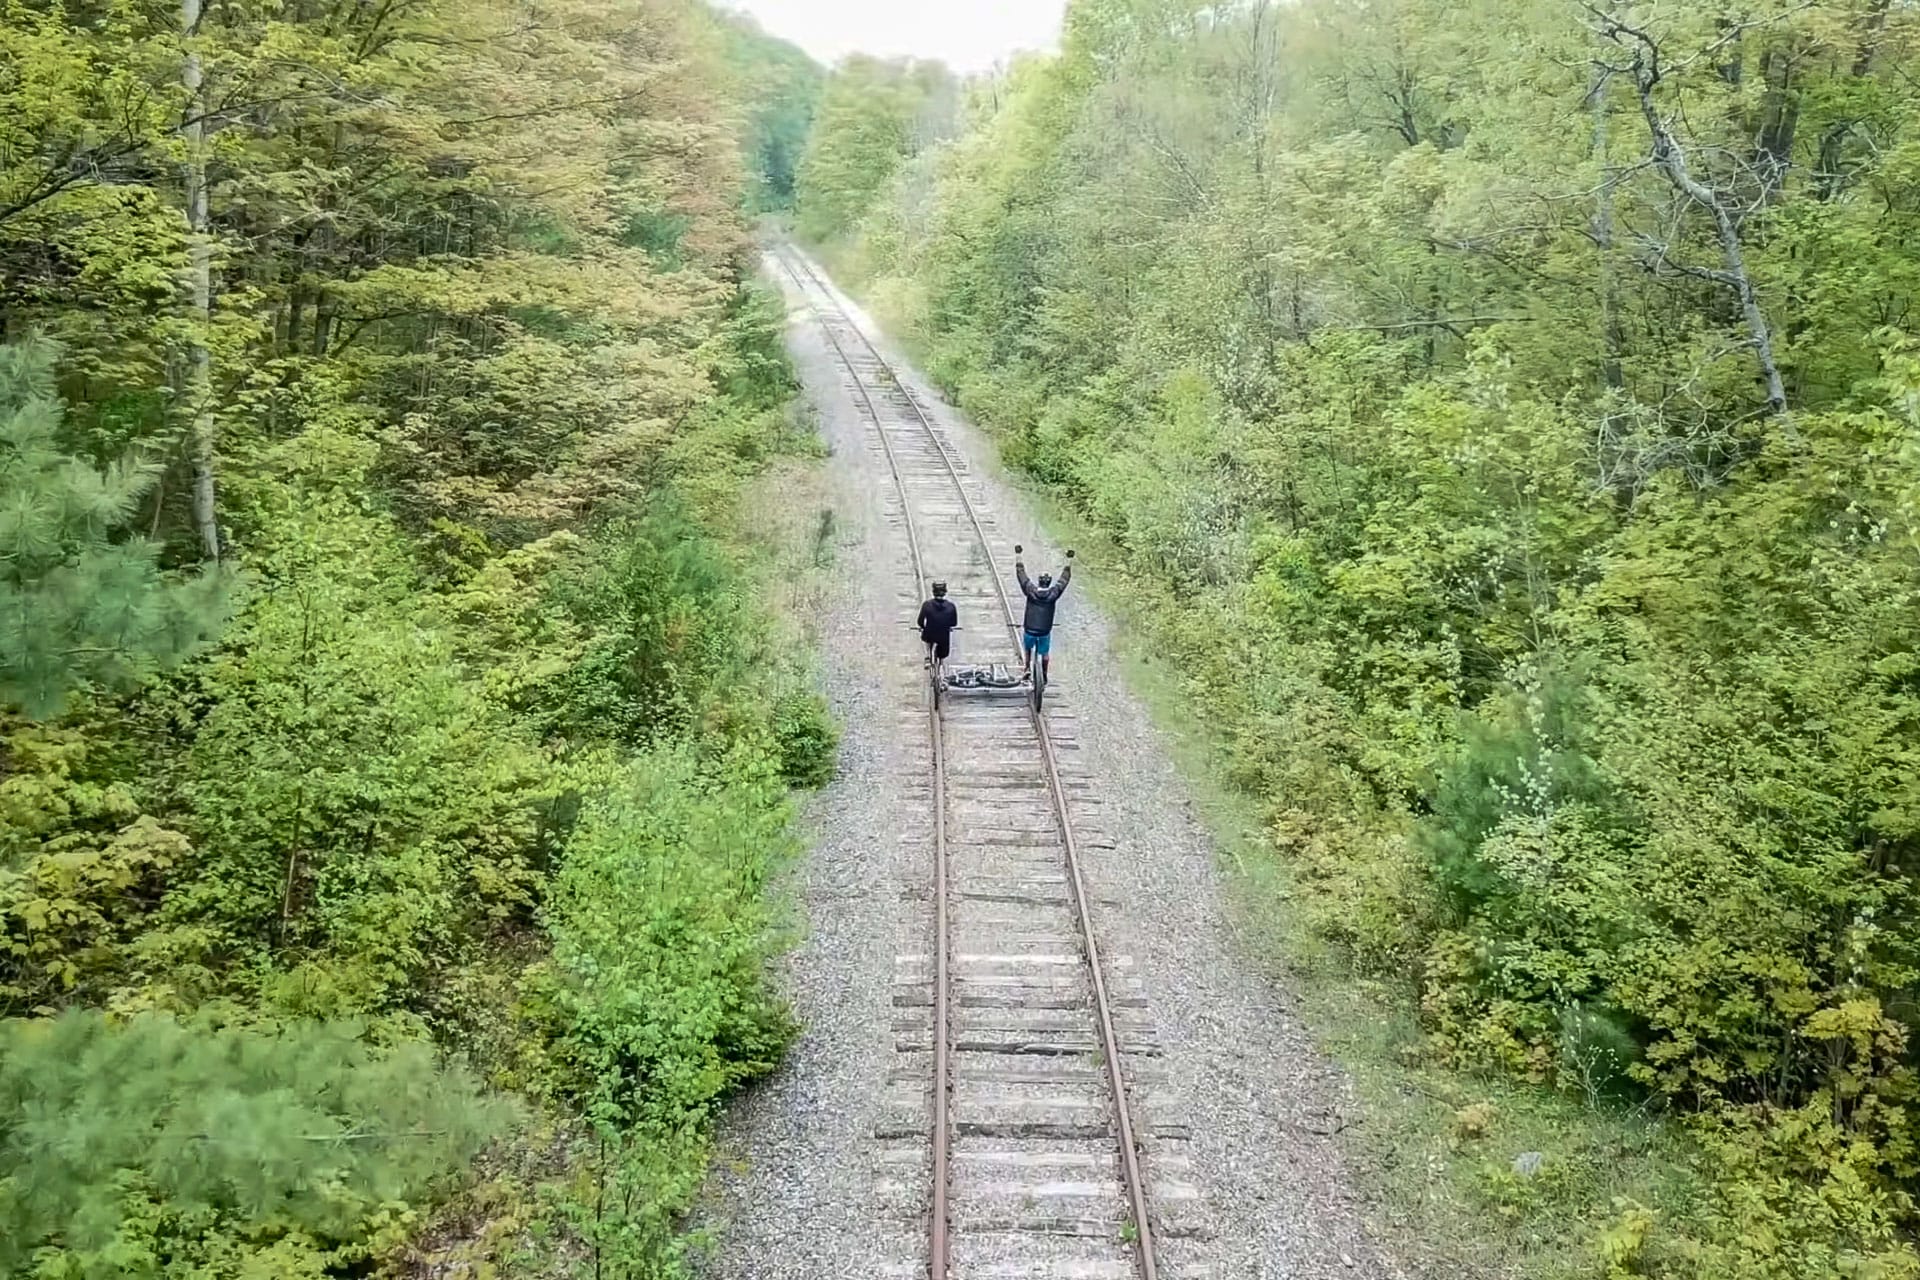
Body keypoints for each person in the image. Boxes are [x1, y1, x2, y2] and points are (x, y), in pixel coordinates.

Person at [1013, 544, 1073, 679]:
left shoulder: (1030, 591)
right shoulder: (1054, 593)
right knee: (1045, 654)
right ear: (1049, 582)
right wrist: (1068, 562)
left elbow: (1021, 575)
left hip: (1030, 629)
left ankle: (1027, 668)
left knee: (1028, 649)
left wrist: (1018, 556)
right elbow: (1064, 579)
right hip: (1044, 631)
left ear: (1039, 582)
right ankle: (1044, 674)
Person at [916, 580, 958, 669]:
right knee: (943, 652)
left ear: (933, 592)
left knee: (925, 640)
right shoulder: (951, 606)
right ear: (945, 592)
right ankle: (941, 665)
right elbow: (954, 623)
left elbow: (920, 621)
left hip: (930, 634)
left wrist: (922, 627)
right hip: (943, 637)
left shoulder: (927, 605)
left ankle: (927, 657)